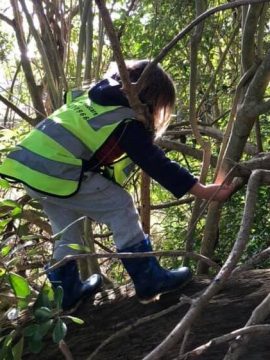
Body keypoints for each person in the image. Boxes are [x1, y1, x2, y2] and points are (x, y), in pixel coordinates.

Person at [0, 60, 234, 310]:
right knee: (121, 206)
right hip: (58, 171)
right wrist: (202, 190)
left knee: (66, 231)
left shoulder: (93, 99)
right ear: (151, 98)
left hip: (33, 171)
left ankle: (65, 293)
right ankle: (148, 279)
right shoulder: (125, 118)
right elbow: (155, 162)